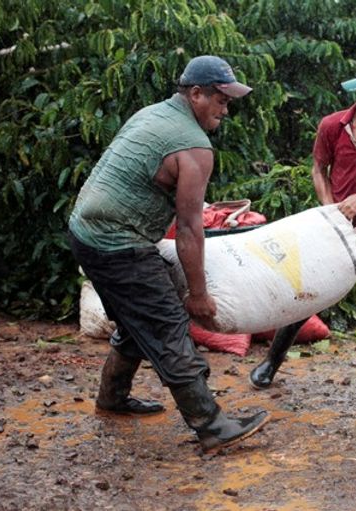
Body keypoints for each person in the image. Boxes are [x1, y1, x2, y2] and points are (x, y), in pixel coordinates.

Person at [68, 55, 269, 452]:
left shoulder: (153, 114)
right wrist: (198, 295)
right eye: (220, 100)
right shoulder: (194, 147)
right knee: (167, 322)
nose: (225, 110)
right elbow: (190, 229)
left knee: (137, 316)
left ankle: (112, 396)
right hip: (117, 243)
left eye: (228, 102)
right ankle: (210, 425)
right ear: (195, 93)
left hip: (85, 231)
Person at [249, 63, 356, 399]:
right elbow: (319, 168)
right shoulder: (332, 126)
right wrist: (330, 210)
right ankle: (271, 362)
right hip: (336, 236)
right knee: (303, 296)